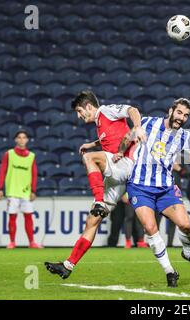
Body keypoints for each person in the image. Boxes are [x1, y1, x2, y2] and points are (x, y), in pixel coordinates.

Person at [113, 98, 190, 287]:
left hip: (166, 189)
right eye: (179, 113)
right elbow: (127, 137)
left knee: (185, 226)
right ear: (171, 111)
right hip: (139, 187)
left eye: (185, 115)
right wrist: (120, 152)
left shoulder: (184, 136)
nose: (181, 118)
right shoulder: (148, 123)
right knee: (151, 229)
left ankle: (188, 253)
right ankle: (170, 271)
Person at [45, 90, 146, 279]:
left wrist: (138, 127)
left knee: (89, 159)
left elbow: (132, 110)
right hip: (116, 174)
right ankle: (68, 265)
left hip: (125, 163)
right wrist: (92, 144)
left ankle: (99, 200)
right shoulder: (100, 124)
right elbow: (110, 137)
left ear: (89, 106)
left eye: (79, 111)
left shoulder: (106, 110)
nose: (78, 115)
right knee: (92, 221)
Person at [0, 130, 42, 249]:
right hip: (12, 191)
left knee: (28, 217)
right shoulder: (9, 154)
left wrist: (33, 190)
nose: (22, 140)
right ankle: (12, 242)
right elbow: (2, 171)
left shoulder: (31, 156)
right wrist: (0, 188)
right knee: (12, 217)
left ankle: (32, 242)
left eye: (24, 137)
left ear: (27, 140)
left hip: (26, 192)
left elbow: (34, 174)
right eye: (19, 138)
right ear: (16, 139)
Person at [154, 163, 187, 247]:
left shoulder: (180, 161)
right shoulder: (162, 160)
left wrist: (178, 168)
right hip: (161, 192)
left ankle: (170, 243)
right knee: (157, 219)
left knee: (173, 221)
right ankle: (157, 243)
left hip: (174, 194)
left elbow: (187, 174)